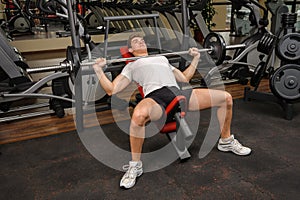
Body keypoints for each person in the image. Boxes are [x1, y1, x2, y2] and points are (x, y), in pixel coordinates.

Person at [93, 33, 251, 189]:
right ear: (130, 49)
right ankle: (135, 165)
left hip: (179, 92)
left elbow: (184, 78)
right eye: (136, 41)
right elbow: (111, 90)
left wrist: (195, 58)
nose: (140, 42)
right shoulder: (131, 66)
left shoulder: (162, 59)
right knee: (138, 116)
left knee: (226, 98)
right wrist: (99, 70)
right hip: (156, 98)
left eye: (142, 40)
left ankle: (226, 141)